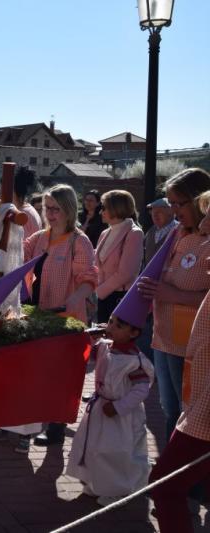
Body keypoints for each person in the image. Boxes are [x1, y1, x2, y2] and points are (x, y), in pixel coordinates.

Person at [149, 190, 210, 533]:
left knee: (164, 482)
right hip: (198, 394)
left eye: (209, 216)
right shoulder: (183, 239)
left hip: (206, 412)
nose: (203, 225)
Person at [138, 168, 210, 439]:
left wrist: (173, 295)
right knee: (170, 410)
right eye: (171, 203)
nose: (174, 211)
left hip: (191, 347)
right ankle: (171, 468)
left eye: (179, 203)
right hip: (163, 339)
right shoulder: (177, 234)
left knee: (189, 415)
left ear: (199, 200)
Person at [25, 184, 98, 447]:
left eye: (56, 209)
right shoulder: (40, 238)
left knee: (60, 376)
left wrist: (74, 299)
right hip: (39, 315)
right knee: (44, 374)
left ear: (69, 209)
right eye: (47, 208)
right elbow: (16, 253)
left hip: (66, 320)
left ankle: (55, 428)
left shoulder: (80, 241)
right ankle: (44, 422)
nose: (50, 214)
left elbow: (89, 279)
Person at [66, 314, 154, 507]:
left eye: (119, 326)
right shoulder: (105, 345)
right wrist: (91, 336)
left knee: (115, 450)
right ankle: (97, 482)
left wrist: (118, 406)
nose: (112, 327)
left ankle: (117, 489)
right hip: (101, 408)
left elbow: (141, 389)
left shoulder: (134, 361)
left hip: (120, 415)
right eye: (111, 322)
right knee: (94, 446)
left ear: (134, 333)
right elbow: (89, 353)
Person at [138, 198, 179, 359]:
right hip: (149, 288)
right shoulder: (151, 232)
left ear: (171, 211)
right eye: (153, 212)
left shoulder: (177, 231)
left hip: (167, 287)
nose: (155, 215)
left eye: (160, 211)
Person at [95, 190, 144, 324]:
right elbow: (97, 265)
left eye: (103, 208)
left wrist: (98, 292)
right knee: (101, 339)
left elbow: (125, 273)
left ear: (116, 208)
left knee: (116, 342)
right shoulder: (105, 232)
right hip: (102, 298)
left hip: (119, 298)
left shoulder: (134, 233)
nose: (100, 212)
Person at [13, 166, 42, 238]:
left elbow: (19, 247)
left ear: (13, 192)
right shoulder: (28, 210)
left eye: (1, 191)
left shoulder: (22, 215)